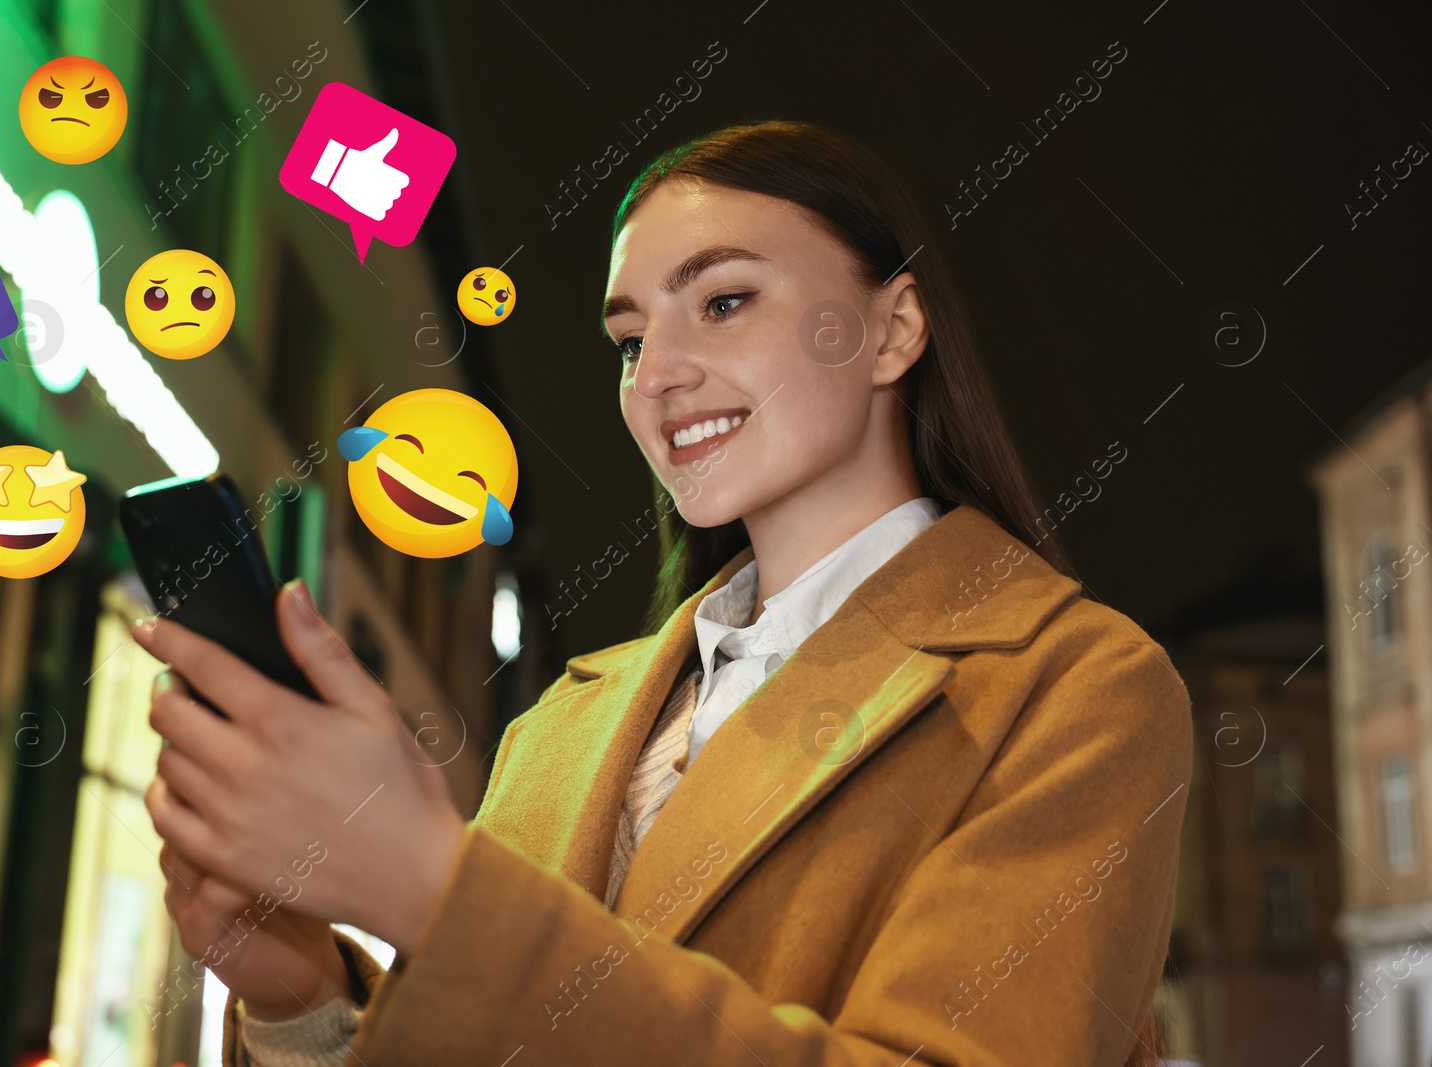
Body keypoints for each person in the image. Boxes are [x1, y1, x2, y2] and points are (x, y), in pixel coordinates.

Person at [136, 120, 1192, 1066]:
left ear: (894, 328)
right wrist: (307, 1007)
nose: (653, 377)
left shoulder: (1076, 688)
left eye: (723, 301)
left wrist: (437, 895)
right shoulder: (561, 723)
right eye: (630, 340)